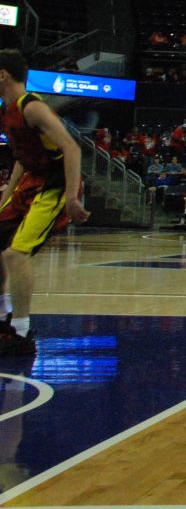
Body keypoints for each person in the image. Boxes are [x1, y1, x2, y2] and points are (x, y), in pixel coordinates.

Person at [0, 49, 90, 356]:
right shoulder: (6, 109)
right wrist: (7, 193)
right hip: (31, 179)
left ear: (3, 74)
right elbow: (22, 157)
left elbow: (72, 148)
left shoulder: (32, 107)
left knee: (16, 254)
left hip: (53, 183)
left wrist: (71, 197)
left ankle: (21, 332)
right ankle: (2, 319)